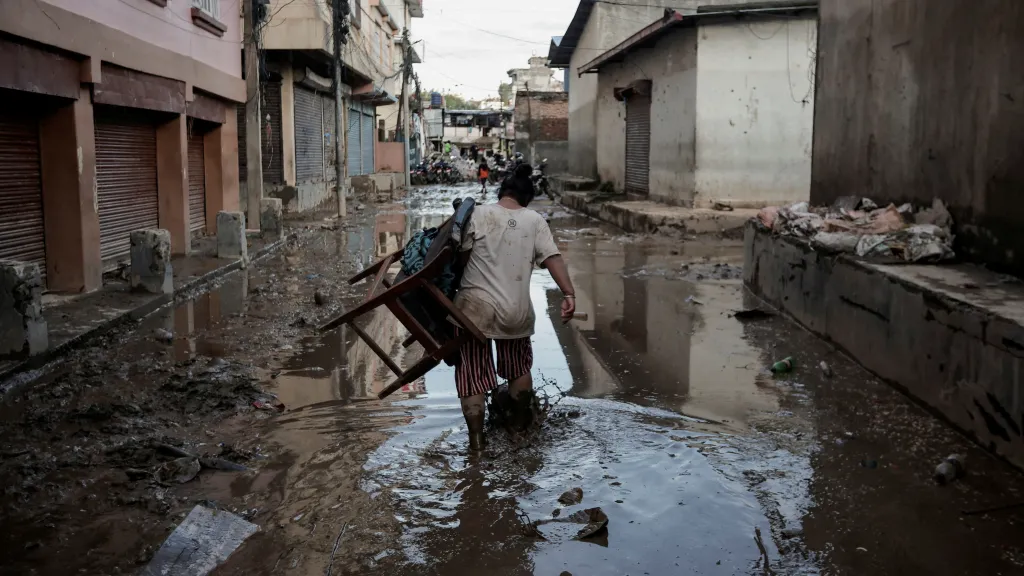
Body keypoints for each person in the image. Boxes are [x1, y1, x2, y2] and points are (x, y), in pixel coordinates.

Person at [453, 164, 576, 451]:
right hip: (515, 312)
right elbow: (552, 258)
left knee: (472, 374)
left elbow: (457, 257)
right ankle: (520, 434)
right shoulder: (534, 220)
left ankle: (477, 443)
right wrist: (568, 293)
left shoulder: (478, 213)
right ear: (526, 198)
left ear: (501, 192)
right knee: (518, 368)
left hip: (473, 308)